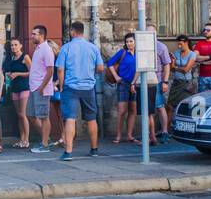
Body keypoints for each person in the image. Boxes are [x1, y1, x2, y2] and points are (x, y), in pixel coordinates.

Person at [55, 20, 105, 161]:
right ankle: (94, 149)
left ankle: (68, 152)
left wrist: (62, 85)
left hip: (71, 87)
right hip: (89, 87)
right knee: (91, 118)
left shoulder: (66, 48)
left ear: (72, 31)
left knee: (70, 118)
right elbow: (101, 68)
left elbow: (60, 69)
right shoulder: (92, 47)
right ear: (83, 32)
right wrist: (90, 72)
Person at [28, 25, 58, 154]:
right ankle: (46, 139)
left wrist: (42, 87)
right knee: (30, 115)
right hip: (34, 87)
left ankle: (45, 144)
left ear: (41, 35)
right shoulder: (38, 49)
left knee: (44, 117)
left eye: (34, 34)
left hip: (41, 89)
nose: (32, 36)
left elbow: (50, 70)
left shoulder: (46, 49)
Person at [107, 33, 138, 145]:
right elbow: (110, 63)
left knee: (133, 110)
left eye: (131, 41)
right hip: (123, 84)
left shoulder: (139, 54)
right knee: (122, 111)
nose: (129, 44)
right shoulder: (123, 53)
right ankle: (118, 136)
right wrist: (116, 77)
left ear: (135, 42)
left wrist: (134, 83)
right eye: (127, 41)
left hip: (134, 84)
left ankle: (129, 135)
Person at [5, 37, 31, 148]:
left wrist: (18, 74)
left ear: (20, 46)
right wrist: (9, 74)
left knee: (23, 114)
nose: (13, 47)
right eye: (12, 45)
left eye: (16, 45)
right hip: (14, 87)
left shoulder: (25, 57)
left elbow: (32, 72)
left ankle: (26, 140)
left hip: (24, 87)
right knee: (18, 115)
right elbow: (8, 71)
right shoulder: (11, 58)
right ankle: (21, 139)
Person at [168, 35, 198, 111]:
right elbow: (171, 68)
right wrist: (173, 63)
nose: (179, 46)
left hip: (186, 82)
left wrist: (175, 67)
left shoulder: (192, 54)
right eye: (178, 44)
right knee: (170, 104)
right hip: (176, 81)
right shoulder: (176, 53)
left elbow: (186, 69)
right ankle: (169, 122)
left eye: (181, 44)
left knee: (183, 105)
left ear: (186, 43)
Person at [153, 37, 173, 143]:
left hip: (157, 80)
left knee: (160, 107)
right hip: (143, 81)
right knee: (147, 109)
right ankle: (150, 134)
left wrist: (165, 82)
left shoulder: (161, 46)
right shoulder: (141, 44)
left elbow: (167, 64)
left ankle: (165, 132)